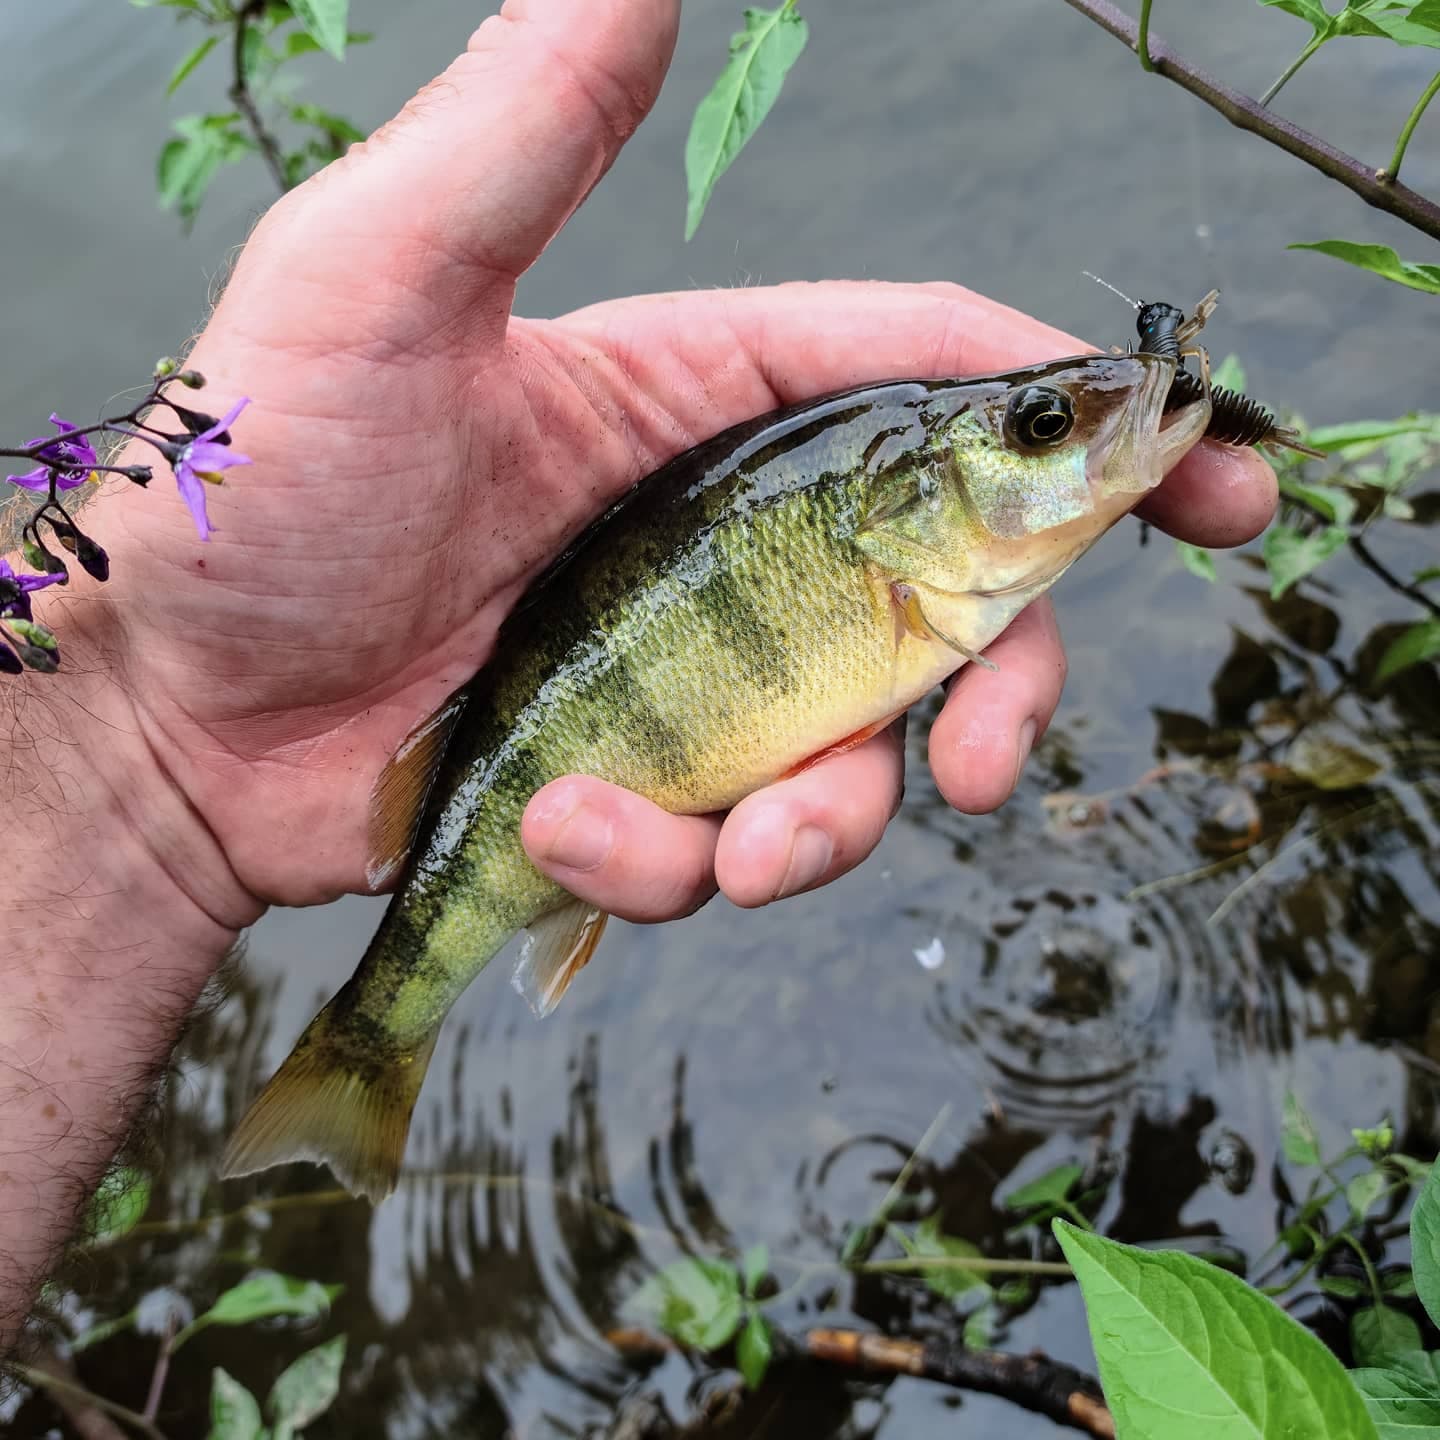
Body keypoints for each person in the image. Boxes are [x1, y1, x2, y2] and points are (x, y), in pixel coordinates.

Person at [0, 0, 1275, 1355]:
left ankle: (364, 1052)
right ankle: (366, 1052)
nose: (1083, 431)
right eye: (1037, 427)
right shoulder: (904, 573)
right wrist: (131, 722)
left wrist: (129, 738)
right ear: (912, 502)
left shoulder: (939, 565)